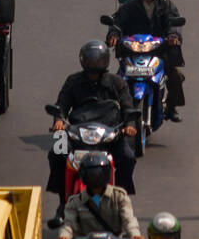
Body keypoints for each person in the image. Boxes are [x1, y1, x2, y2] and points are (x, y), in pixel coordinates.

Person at [45, 41, 138, 228]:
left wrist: (129, 125)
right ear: (83, 61)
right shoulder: (73, 81)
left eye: (99, 59)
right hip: (77, 133)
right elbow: (61, 105)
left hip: (109, 134)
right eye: (92, 60)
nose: (96, 64)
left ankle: (120, 199)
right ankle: (63, 203)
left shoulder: (116, 82)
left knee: (128, 157)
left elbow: (128, 107)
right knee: (56, 152)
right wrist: (59, 121)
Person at [107, 0, 185, 123]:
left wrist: (173, 36)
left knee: (176, 76)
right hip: (134, 50)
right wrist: (114, 35)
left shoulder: (165, 3)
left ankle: (170, 107)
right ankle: (111, 111)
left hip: (158, 50)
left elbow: (174, 21)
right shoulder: (131, 5)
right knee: (116, 80)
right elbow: (118, 22)